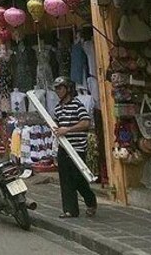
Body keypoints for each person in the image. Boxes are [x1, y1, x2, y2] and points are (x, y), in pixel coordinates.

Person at [52, 76, 97, 219]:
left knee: (78, 178)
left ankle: (90, 201)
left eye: (60, 88)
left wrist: (68, 130)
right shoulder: (58, 108)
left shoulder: (77, 105)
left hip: (77, 149)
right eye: (56, 89)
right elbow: (57, 126)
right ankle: (70, 210)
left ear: (68, 89)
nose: (58, 91)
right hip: (63, 148)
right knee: (65, 180)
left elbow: (86, 123)